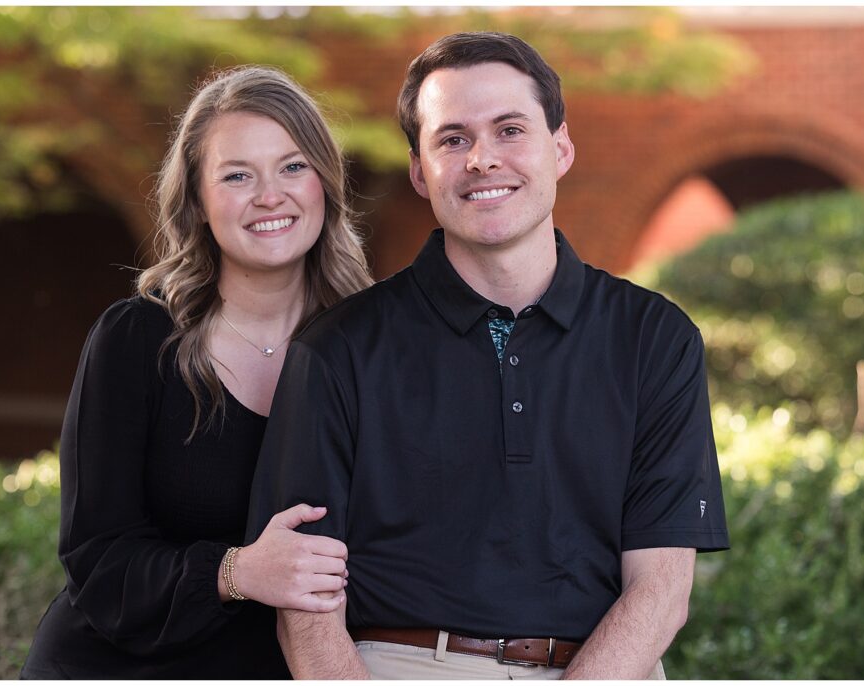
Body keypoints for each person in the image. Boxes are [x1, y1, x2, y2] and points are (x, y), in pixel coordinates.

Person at [246, 32, 729, 680]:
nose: (482, 159)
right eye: (452, 139)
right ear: (420, 171)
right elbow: (304, 606)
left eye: (509, 130)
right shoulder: (337, 350)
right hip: (404, 666)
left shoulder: (656, 339)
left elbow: (662, 590)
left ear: (559, 148)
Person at [20, 65, 374, 679]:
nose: (270, 195)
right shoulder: (136, 341)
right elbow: (98, 561)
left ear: (325, 182)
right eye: (237, 175)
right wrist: (237, 571)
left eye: (293, 166)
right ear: (198, 202)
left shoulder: (374, 347)